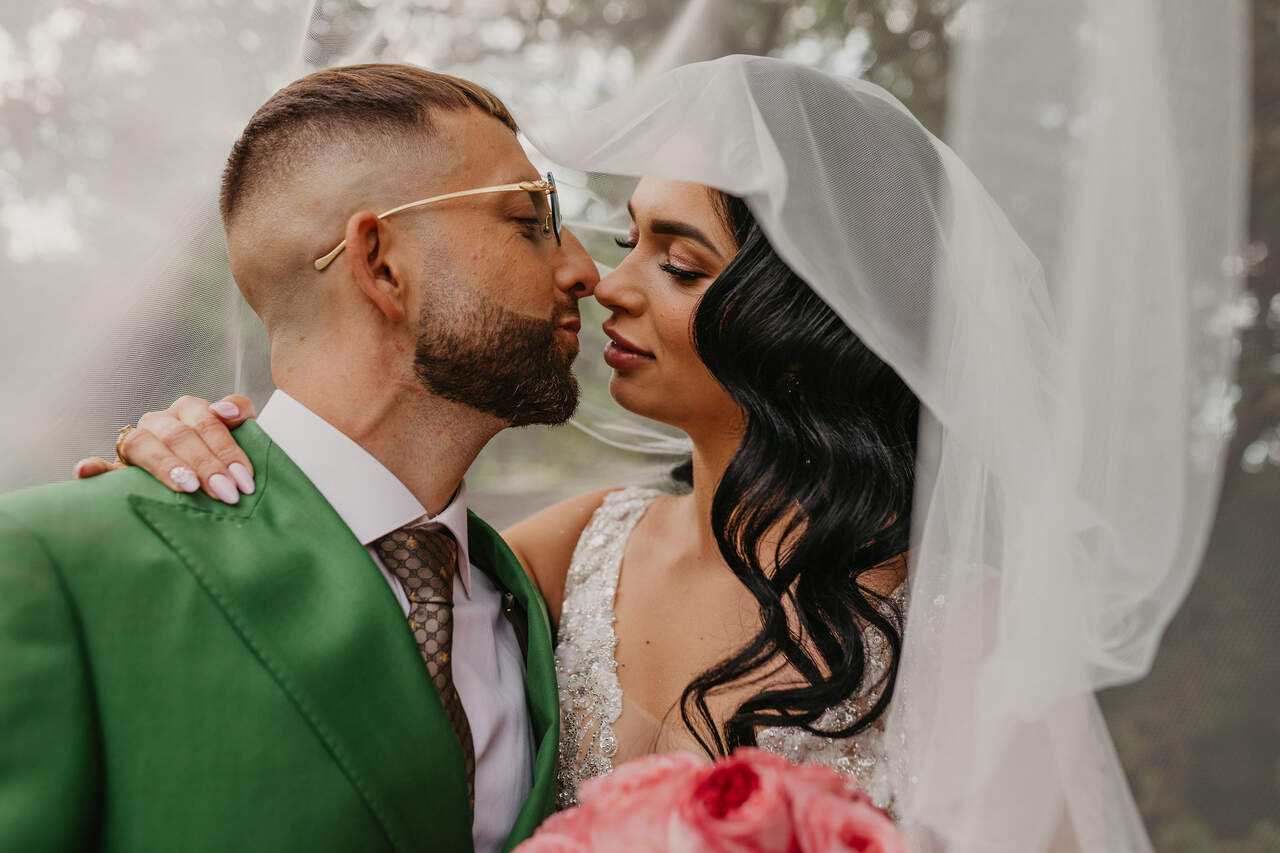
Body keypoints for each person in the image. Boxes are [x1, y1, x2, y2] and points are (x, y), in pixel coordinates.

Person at [76, 55, 1196, 851]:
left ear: (804, 322)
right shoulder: (565, 557)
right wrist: (201, 460)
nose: (605, 282)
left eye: (679, 260)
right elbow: (336, 603)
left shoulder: (963, 628)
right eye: (631, 238)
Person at [1, 64, 599, 853]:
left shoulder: (537, 599)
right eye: (527, 221)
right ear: (381, 263)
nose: (585, 270)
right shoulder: (59, 563)